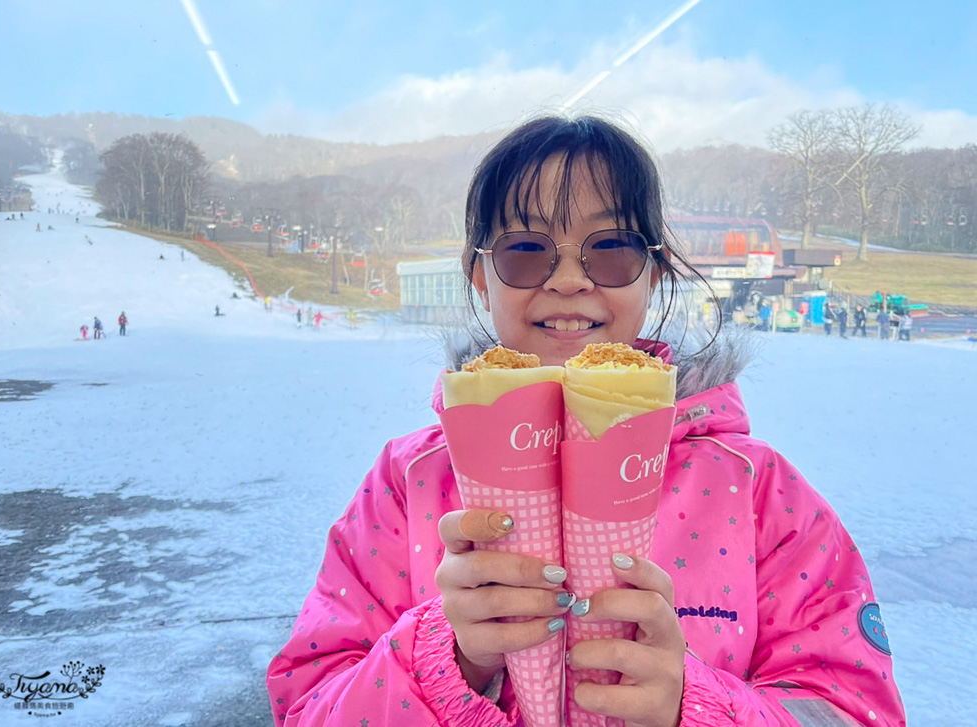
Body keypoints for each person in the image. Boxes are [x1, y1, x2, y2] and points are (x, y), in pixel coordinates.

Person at [266, 116, 904, 727]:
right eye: (524, 250)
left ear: (653, 273)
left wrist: (692, 705)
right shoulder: (408, 484)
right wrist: (445, 655)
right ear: (479, 277)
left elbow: (851, 707)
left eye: (611, 248)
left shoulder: (758, 491)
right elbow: (306, 704)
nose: (569, 279)